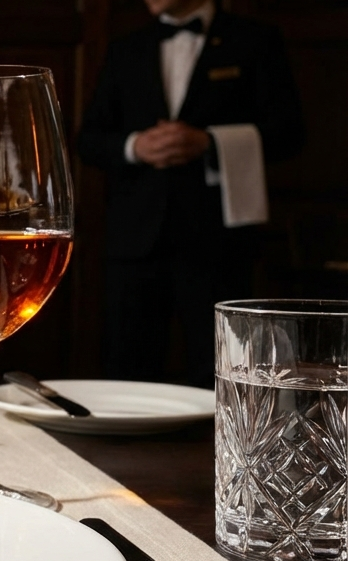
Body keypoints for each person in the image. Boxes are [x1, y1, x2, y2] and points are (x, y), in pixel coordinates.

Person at [78, 0, 304, 386]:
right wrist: (136, 146)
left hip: (218, 238)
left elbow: (289, 134)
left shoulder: (254, 40)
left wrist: (209, 142)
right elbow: (89, 140)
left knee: (222, 369)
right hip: (135, 239)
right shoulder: (126, 46)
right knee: (126, 370)